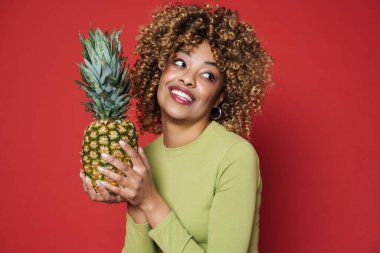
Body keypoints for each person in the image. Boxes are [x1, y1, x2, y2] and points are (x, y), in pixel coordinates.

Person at [79, 3, 273, 253]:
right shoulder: (143, 159)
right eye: (180, 63)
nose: (187, 79)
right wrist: (136, 203)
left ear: (220, 96)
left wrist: (150, 201)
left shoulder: (235, 156)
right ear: (160, 69)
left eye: (207, 76)